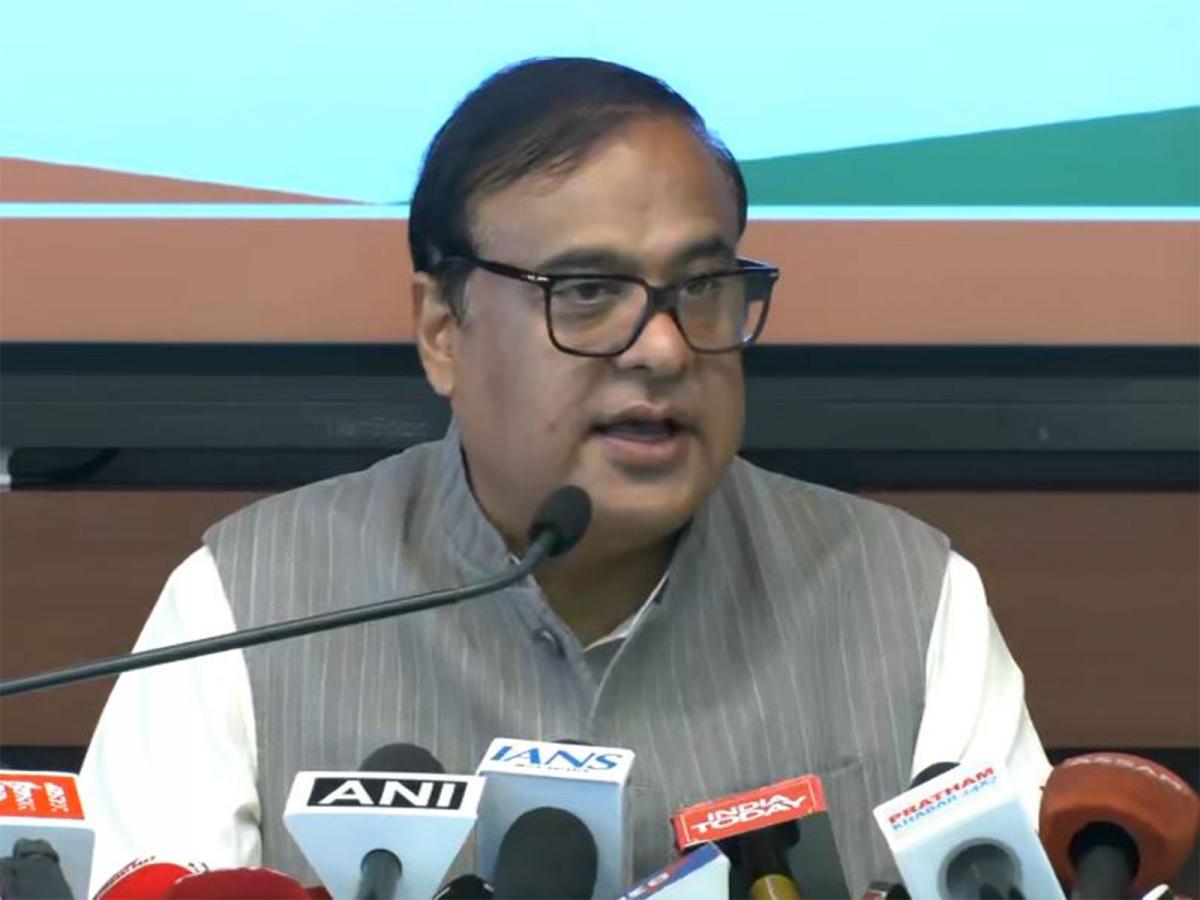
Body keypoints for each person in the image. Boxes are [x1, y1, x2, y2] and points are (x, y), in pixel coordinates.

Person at [81, 57, 1050, 895]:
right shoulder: (247, 604)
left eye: (702, 288)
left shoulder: (907, 598)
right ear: (443, 330)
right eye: (586, 292)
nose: (664, 349)